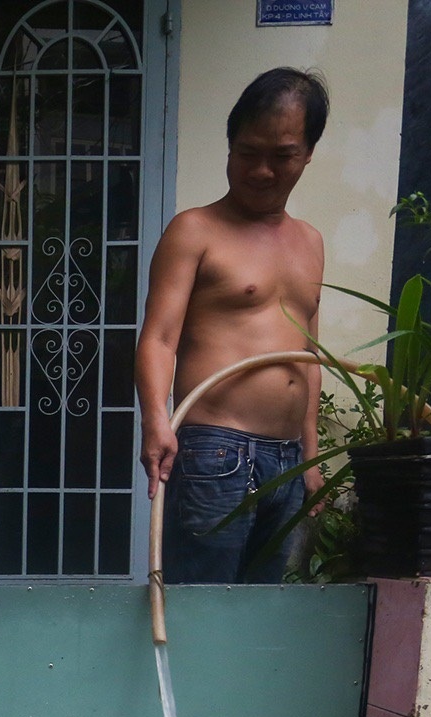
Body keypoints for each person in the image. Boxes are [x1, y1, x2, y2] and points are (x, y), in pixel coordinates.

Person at [136, 67, 330, 584]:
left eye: (282, 155)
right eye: (247, 152)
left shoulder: (310, 242)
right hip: (215, 453)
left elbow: (309, 357)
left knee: (258, 619)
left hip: (286, 462)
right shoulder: (194, 230)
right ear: (229, 145)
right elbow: (158, 338)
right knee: (202, 612)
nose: (262, 170)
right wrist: (155, 419)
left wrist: (310, 458)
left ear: (308, 153)